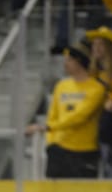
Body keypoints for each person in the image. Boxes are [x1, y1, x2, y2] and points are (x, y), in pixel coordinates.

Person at [31, 40, 105, 178]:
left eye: (69, 60)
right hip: (59, 149)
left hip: (84, 149)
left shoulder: (96, 88)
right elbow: (53, 114)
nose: (65, 64)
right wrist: (51, 142)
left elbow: (80, 116)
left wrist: (49, 127)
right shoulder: (61, 86)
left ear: (79, 61)